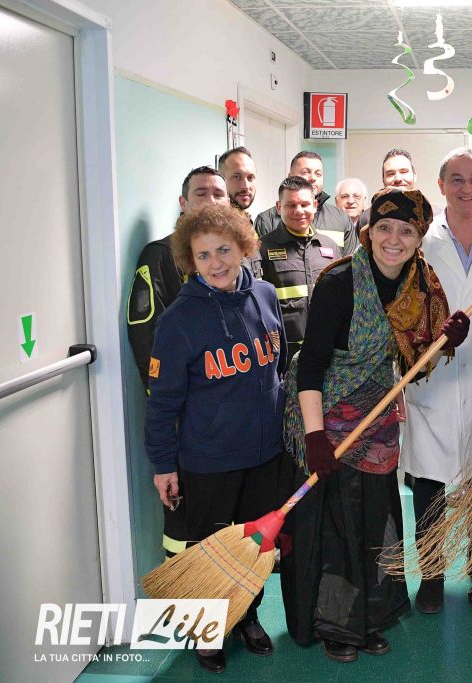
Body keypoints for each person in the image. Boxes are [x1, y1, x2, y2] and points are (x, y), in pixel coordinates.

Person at [279, 188, 470, 663]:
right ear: (367, 232)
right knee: (337, 524)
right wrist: (315, 436)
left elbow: (411, 366)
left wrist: (445, 341)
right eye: (384, 227)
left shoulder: (420, 286)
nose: (393, 239)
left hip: (378, 414)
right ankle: (336, 624)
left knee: (374, 517)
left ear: (419, 238)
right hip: (326, 409)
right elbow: (311, 365)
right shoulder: (339, 281)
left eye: (406, 230)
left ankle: (370, 616)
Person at [145, 204, 289, 674]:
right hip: (209, 460)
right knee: (209, 550)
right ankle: (209, 629)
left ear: (244, 247)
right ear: (190, 261)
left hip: (265, 455)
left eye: (224, 250)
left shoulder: (265, 295)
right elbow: (162, 403)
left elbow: (279, 366)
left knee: (256, 546)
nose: (215, 263)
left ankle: (247, 616)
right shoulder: (178, 321)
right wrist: (163, 465)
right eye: (203, 255)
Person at [401, 148, 472, 614]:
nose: (466, 188)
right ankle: (431, 576)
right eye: (456, 179)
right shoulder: (420, 241)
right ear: (441, 185)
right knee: (429, 484)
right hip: (432, 379)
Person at [127, 167, 230, 560]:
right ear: (183, 202)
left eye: (219, 193)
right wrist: (170, 415)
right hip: (189, 422)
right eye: (201, 193)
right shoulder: (160, 255)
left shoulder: (236, 254)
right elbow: (146, 339)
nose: (212, 200)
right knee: (188, 527)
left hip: (231, 421)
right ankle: (187, 593)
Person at [252, 176, 340, 362]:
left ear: (315, 205)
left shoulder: (330, 247)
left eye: (304, 204)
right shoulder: (261, 248)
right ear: (279, 207)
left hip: (326, 351)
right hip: (283, 354)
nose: (298, 211)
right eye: (291, 205)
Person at [255, 151, 356, 256]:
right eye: (305, 172)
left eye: (318, 174)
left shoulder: (341, 219)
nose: (313, 178)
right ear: (290, 177)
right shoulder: (267, 220)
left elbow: (351, 262)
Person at [219, 146, 258, 219]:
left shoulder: (247, 220)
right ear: (221, 180)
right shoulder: (211, 224)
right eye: (237, 177)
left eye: (250, 178)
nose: (246, 186)